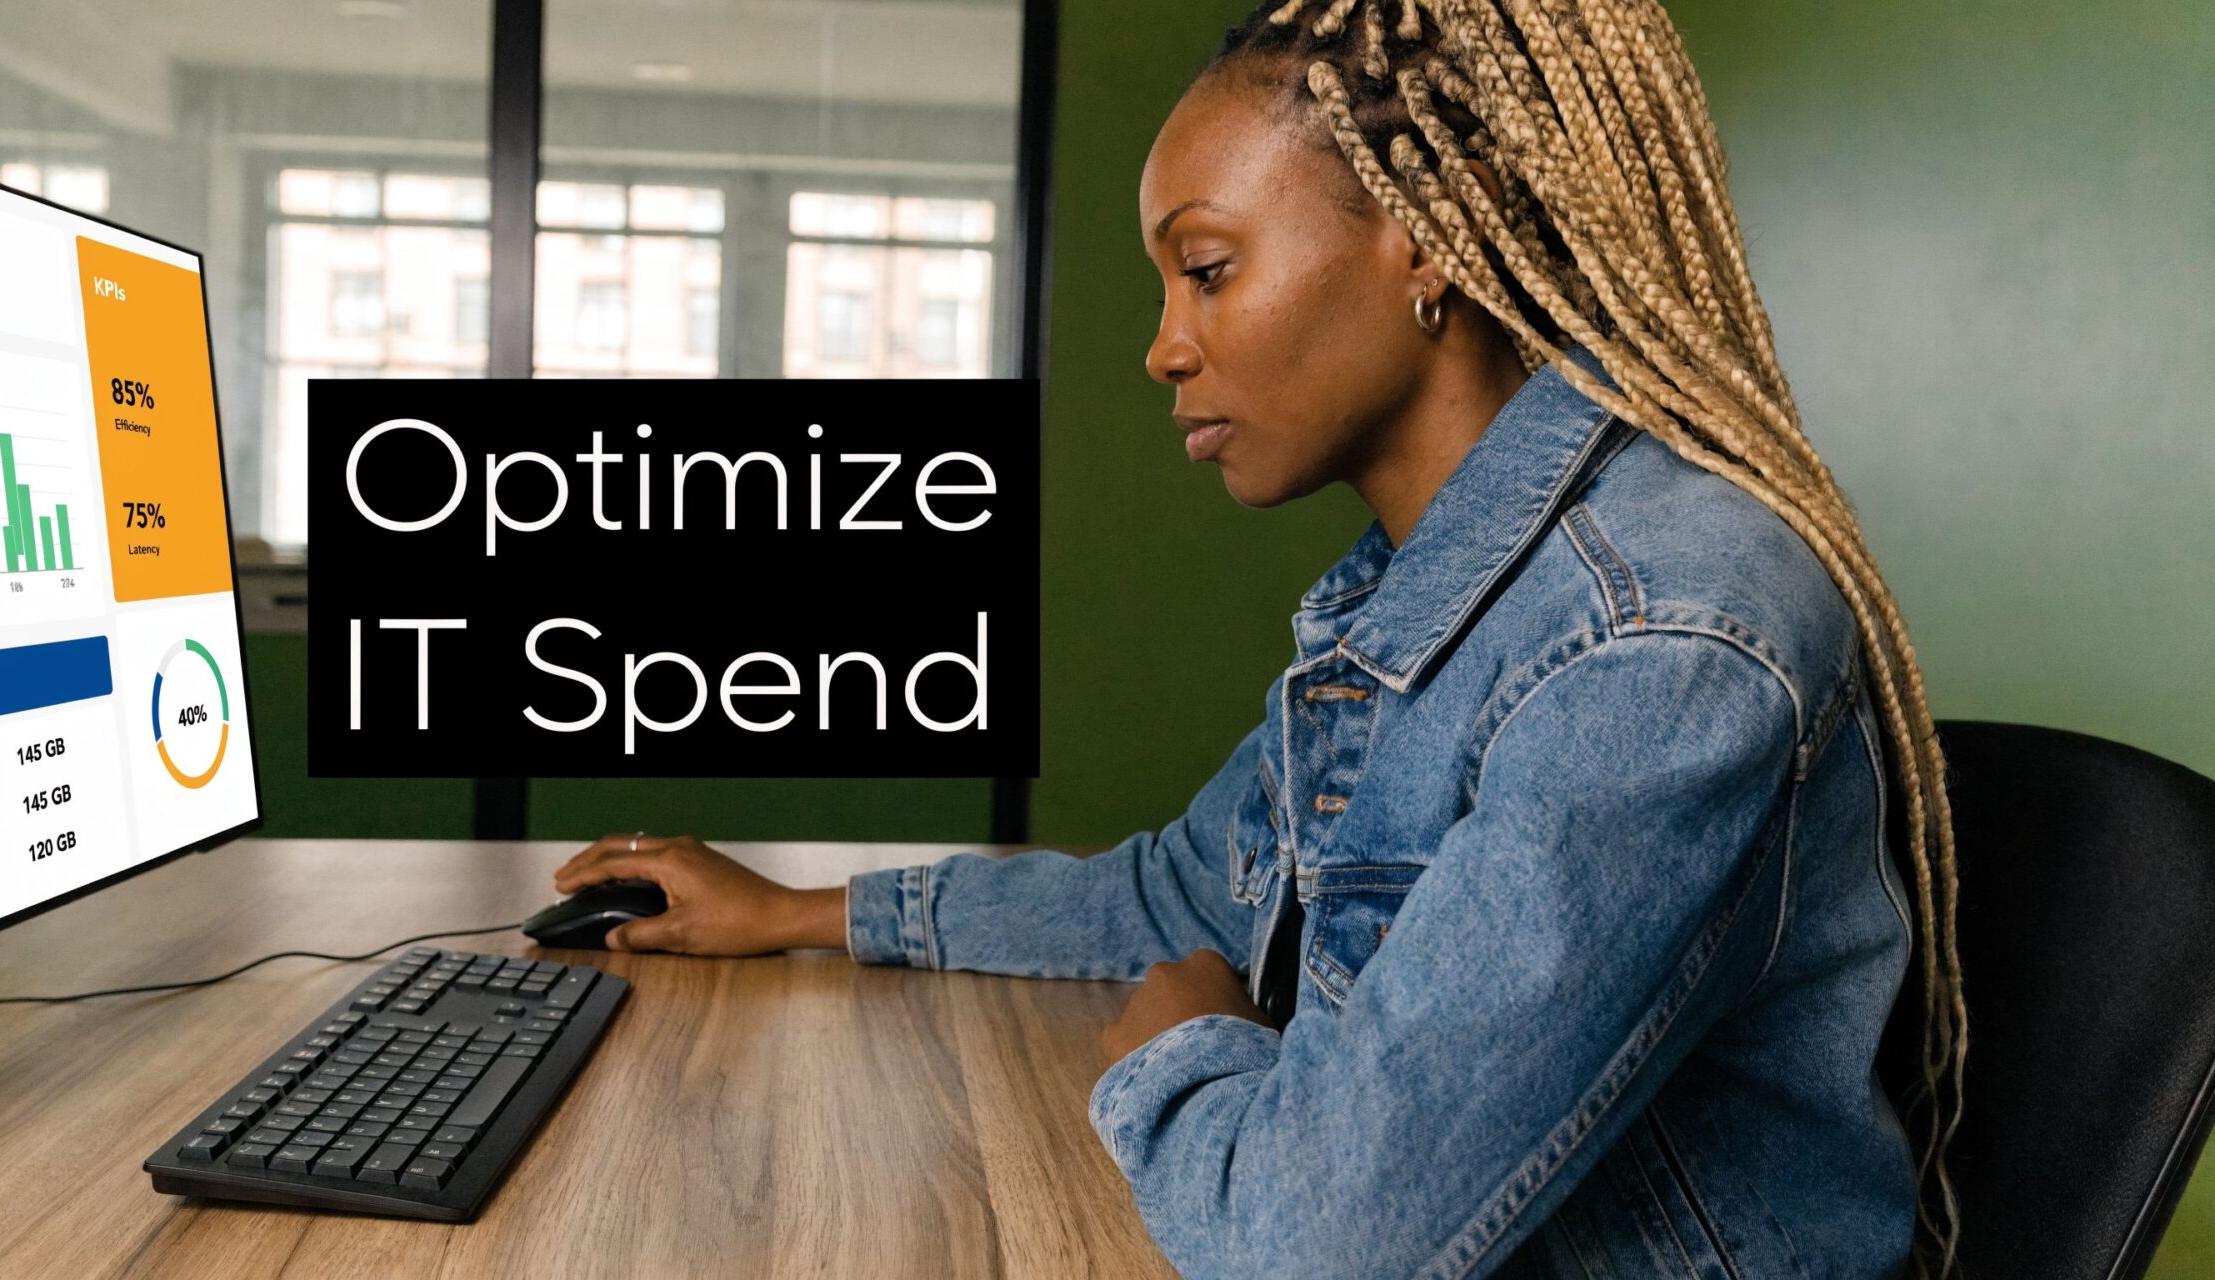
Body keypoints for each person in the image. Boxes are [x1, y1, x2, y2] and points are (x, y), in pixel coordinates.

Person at [552, 2, 1965, 1276]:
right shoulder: (1423, 596)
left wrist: (1188, 1056)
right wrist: (799, 917)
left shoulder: (1656, 645)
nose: (1165, 346)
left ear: (1431, 236)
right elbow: (1181, 897)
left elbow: (1321, 1243)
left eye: (1209, 270)